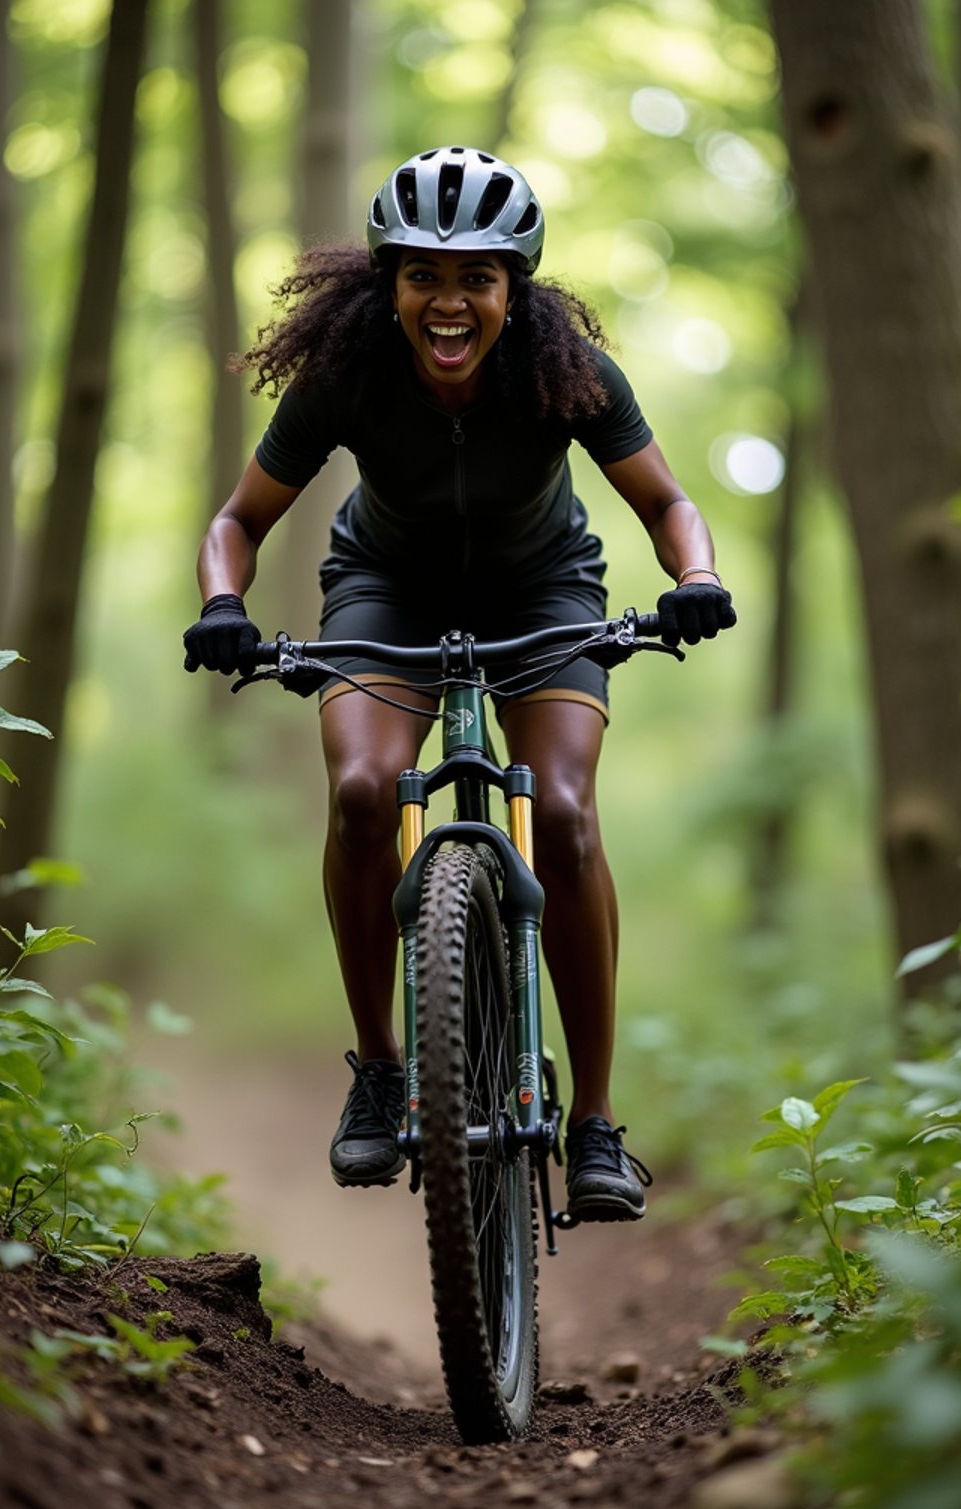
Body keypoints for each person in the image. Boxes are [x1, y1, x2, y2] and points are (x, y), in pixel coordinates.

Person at [183, 146, 736, 1223]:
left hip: (544, 590)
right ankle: (383, 1071)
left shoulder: (563, 368)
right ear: (385, 284)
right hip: (386, 591)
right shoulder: (346, 374)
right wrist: (222, 605)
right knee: (359, 793)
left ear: (510, 289)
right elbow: (236, 521)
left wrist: (697, 578)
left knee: (566, 814)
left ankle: (595, 1124)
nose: (448, 302)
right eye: (423, 276)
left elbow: (669, 504)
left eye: (475, 278)